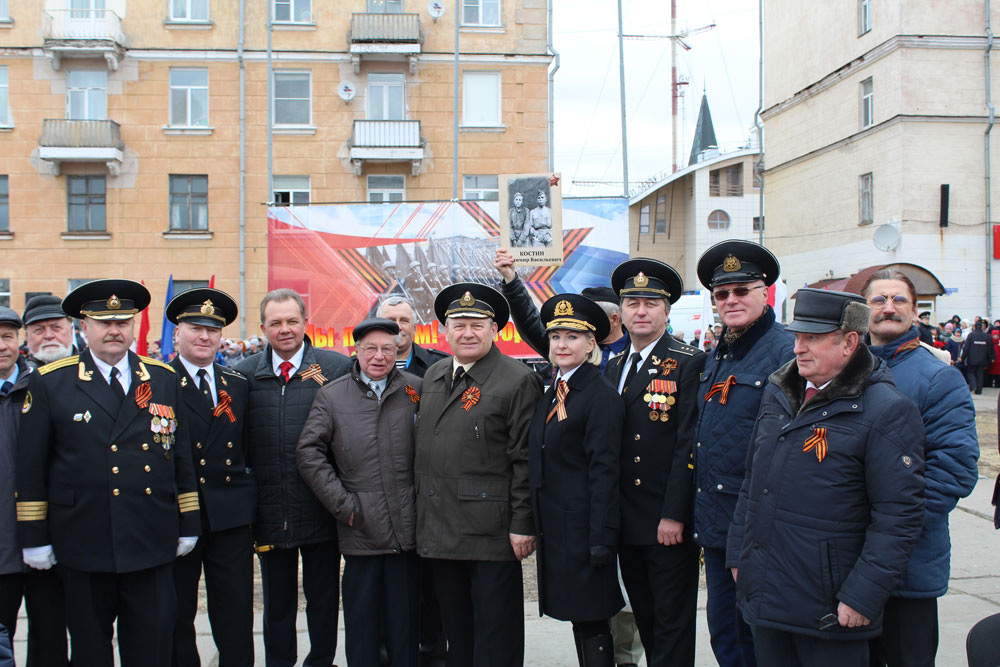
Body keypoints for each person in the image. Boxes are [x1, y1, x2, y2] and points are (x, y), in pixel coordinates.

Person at [727, 288, 926, 666]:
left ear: (850, 341)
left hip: (831, 608)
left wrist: (862, 595)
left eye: (813, 339)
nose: (799, 348)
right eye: (798, 337)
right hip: (768, 596)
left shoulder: (887, 411)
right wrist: (739, 555)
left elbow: (898, 517)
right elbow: (752, 482)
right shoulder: (780, 392)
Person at [16, 279, 200, 667]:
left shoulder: (162, 378)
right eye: (103, 322)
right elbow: (31, 465)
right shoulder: (52, 382)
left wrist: (189, 521)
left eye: (123, 322)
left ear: (133, 327)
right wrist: (34, 536)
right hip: (83, 540)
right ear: (84, 328)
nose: (114, 330)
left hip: (149, 537)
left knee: (151, 647)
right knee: (89, 649)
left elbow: (180, 457)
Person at [414, 283, 543, 667]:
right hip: (440, 530)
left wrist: (523, 523)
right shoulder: (435, 374)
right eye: (458, 324)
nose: (467, 332)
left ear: (494, 329)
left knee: (495, 637)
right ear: (444, 330)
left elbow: (525, 459)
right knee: (458, 634)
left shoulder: (517, 379)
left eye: (477, 324)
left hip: (492, 533)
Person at [860, 270, 979, 667]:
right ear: (864, 310)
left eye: (899, 300)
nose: (888, 308)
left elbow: (954, 470)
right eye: (879, 300)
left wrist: (890, 533)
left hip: (906, 570)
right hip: (845, 567)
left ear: (915, 312)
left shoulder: (939, 379)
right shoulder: (840, 372)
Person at [235, 288, 351, 667]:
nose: (285, 329)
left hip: (321, 507)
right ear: (263, 327)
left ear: (305, 323)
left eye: (292, 321)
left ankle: (321, 661)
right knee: (277, 603)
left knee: (322, 599)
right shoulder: (243, 374)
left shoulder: (335, 368)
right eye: (276, 323)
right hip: (270, 509)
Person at [692, 241, 795, 667]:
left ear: (766, 292)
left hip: (761, 529)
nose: (731, 300)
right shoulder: (723, 350)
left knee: (759, 641)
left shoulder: (787, 351)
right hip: (719, 524)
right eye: (722, 294)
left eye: (742, 290)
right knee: (727, 636)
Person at [298, 318, 422, 667]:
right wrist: (343, 505)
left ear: (398, 352)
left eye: (388, 349)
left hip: (408, 532)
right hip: (361, 531)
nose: (379, 356)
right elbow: (308, 452)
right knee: (362, 628)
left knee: (405, 627)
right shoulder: (332, 395)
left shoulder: (415, 389)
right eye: (371, 348)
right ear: (357, 352)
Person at [605, 259, 706, 667]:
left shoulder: (687, 362)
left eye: (650, 302)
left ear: (667, 310)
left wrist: (675, 515)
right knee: (644, 618)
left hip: (666, 523)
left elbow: (688, 444)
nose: (640, 311)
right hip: (627, 520)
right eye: (632, 303)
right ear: (621, 312)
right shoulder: (614, 366)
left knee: (671, 626)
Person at [529, 294, 625, 666]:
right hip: (559, 530)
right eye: (556, 337)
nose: (562, 345)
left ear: (590, 344)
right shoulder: (555, 389)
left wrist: (601, 538)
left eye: (572, 337)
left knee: (592, 618)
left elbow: (604, 472)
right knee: (578, 616)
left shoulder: (598, 396)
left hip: (585, 532)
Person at [166, 288, 256, 667]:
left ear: (222, 337)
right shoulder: (157, 381)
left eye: (213, 330)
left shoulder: (236, 383)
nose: (204, 337)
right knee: (175, 612)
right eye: (195, 328)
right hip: (175, 515)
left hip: (230, 517)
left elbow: (249, 446)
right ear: (177, 334)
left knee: (235, 612)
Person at [493, 248, 628, 371]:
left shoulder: (636, 352)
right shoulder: (569, 350)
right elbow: (529, 322)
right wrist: (510, 279)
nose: (562, 345)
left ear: (614, 319)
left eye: (592, 315)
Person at [377, 295, 450, 377]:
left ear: (414, 328)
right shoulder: (363, 366)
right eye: (390, 321)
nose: (398, 327)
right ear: (378, 327)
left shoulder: (441, 365)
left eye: (404, 321)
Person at [22, 295, 78, 367]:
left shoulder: (93, 370)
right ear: (27, 337)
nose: (48, 335)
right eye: (39, 330)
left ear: (71, 332)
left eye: (56, 328)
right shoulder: (19, 376)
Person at [960, 320, 994, 394]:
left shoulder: (971, 335)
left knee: (970, 372)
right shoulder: (986, 336)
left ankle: (973, 385)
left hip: (972, 359)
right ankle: (979, 390)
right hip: (982, 359)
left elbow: (966, 348)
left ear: (975, 327)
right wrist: (991, 358)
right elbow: (990, 348)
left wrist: (963, 357)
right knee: (980, 374)